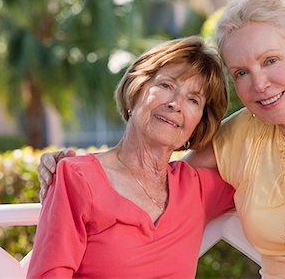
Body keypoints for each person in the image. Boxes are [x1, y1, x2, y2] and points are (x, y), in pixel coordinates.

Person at [38, 0, 285, 279]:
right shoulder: (241, 137)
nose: (259, 84)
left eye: (270, 60)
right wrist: (68, 173)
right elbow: (154, 175)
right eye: (240, 73)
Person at [27, 36, 235, 278]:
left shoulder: (197, 189)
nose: (176, 104)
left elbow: (258, 150)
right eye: (166, 85)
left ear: (200, 121)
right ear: (136, 88)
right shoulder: (76, 177)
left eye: (193, 100)